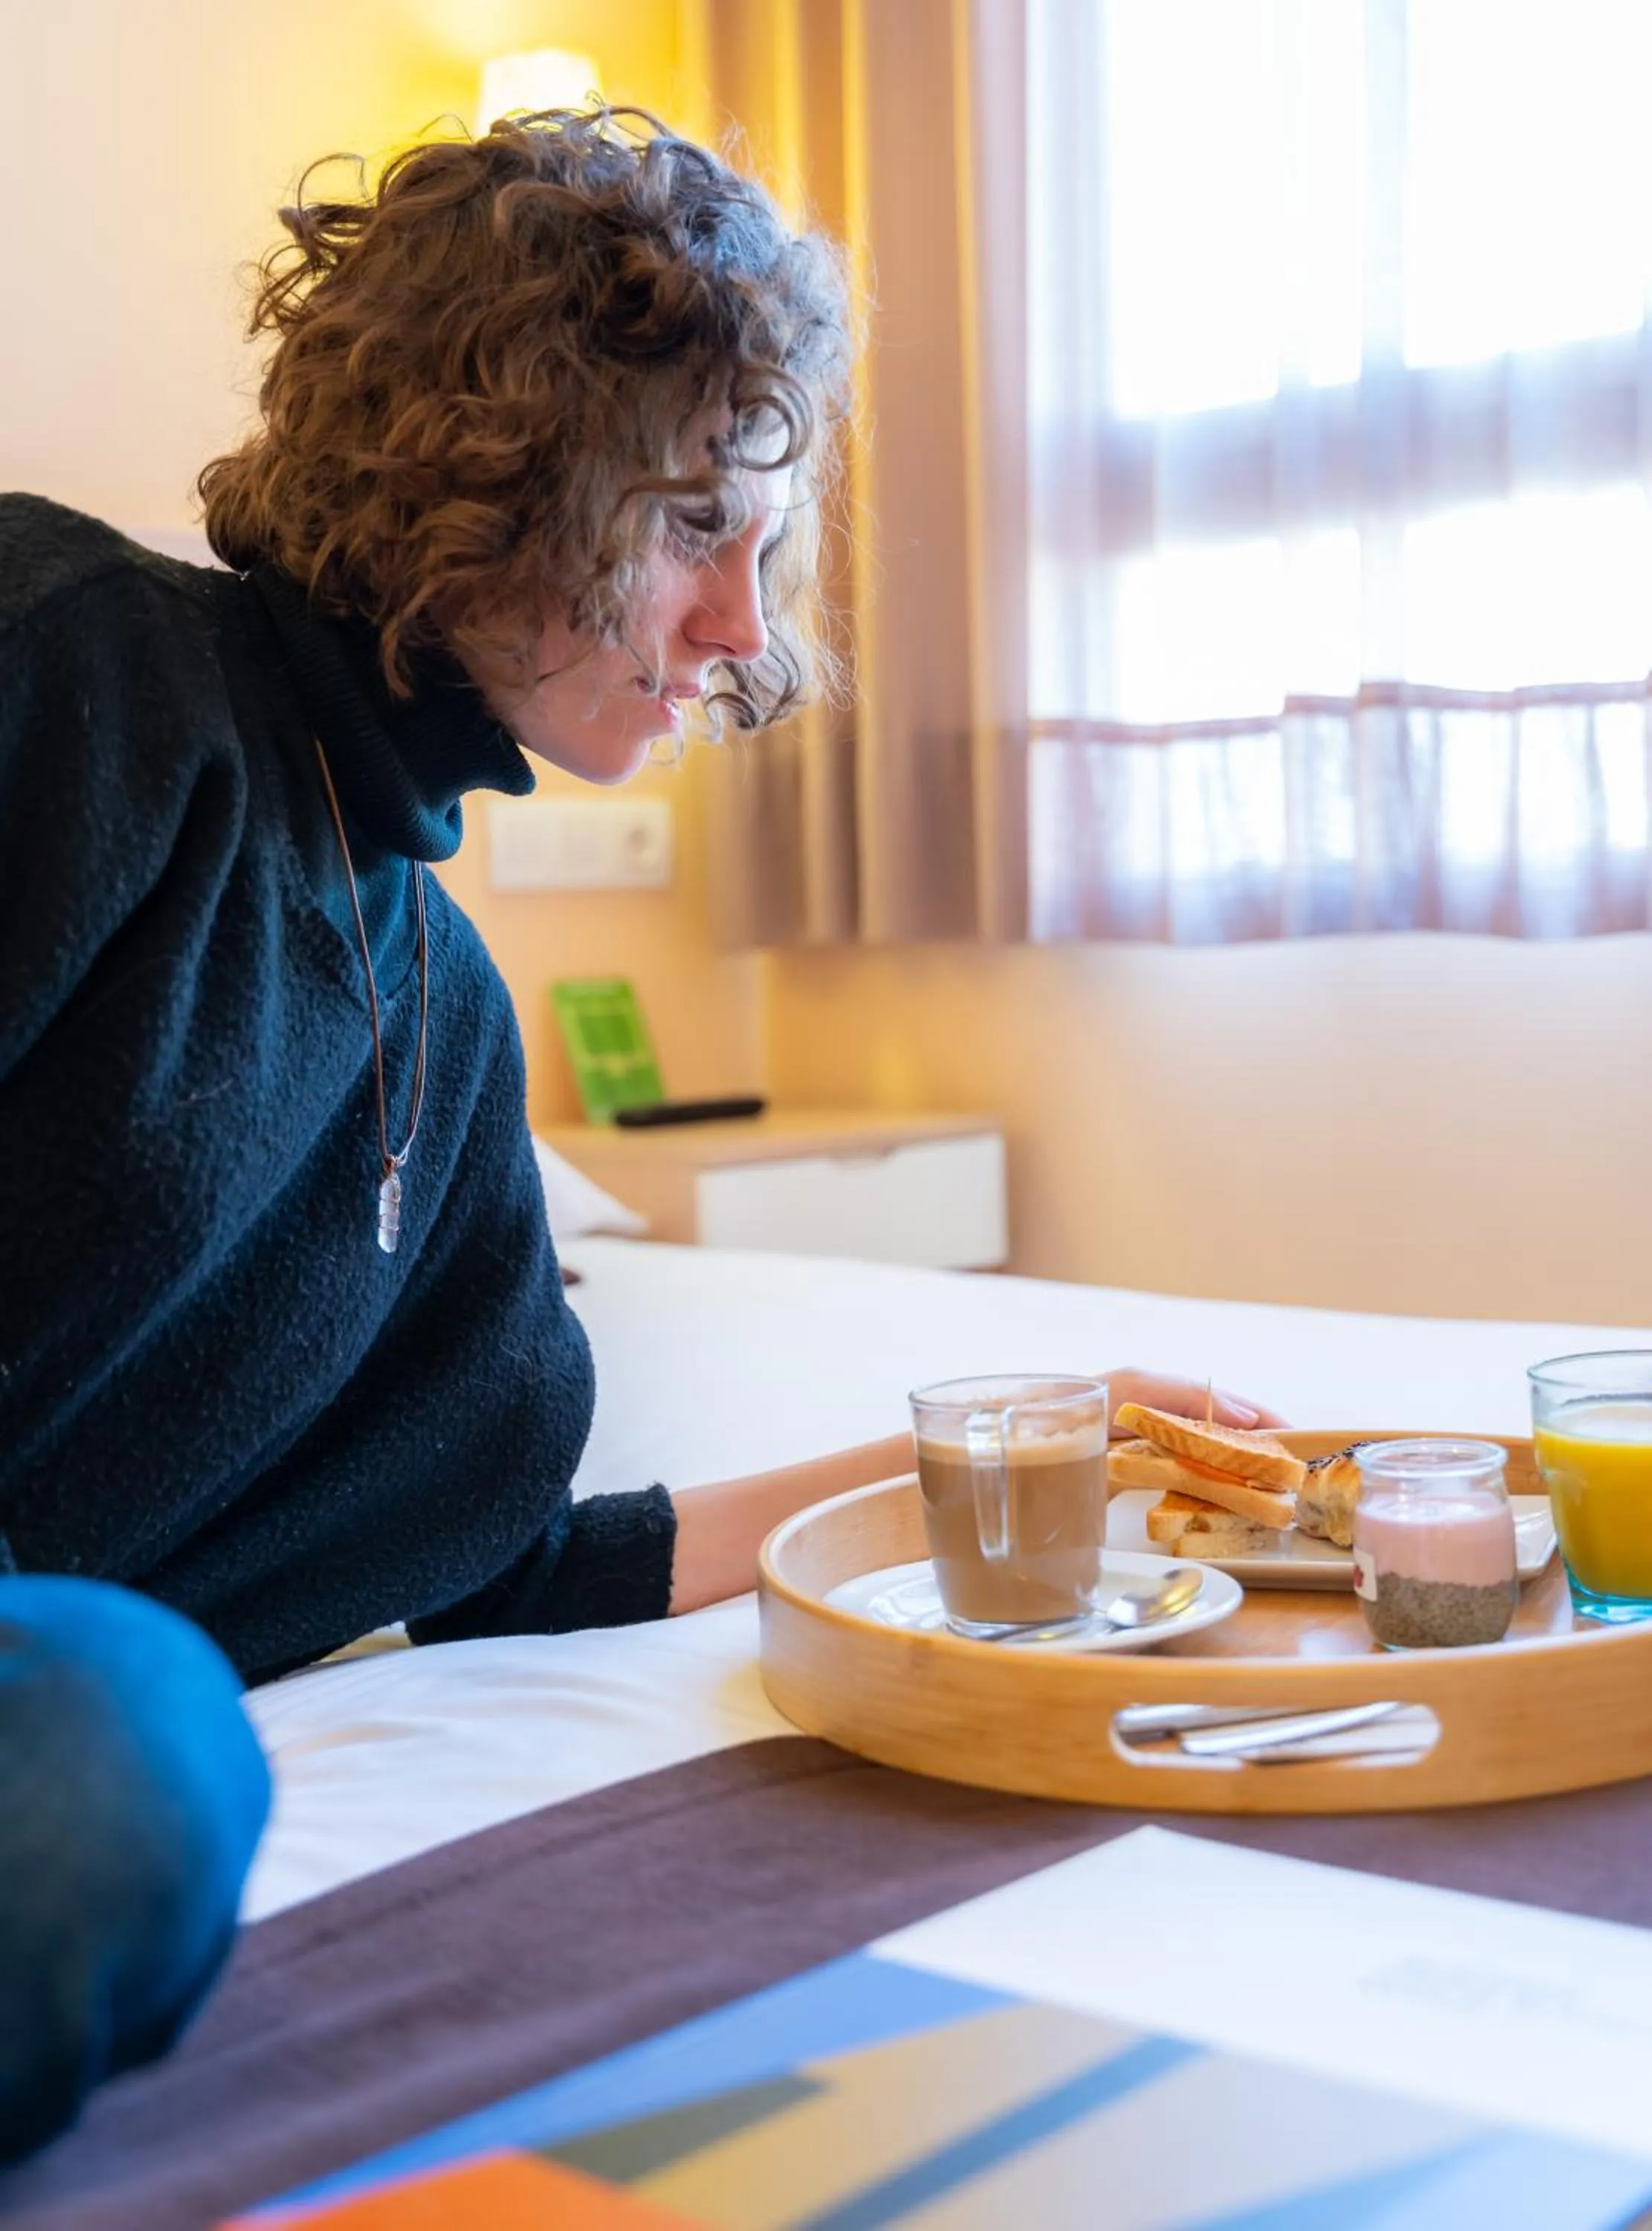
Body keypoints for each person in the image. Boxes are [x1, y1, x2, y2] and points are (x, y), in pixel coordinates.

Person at [0, 107, 1277, 2160]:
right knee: (117, 1741)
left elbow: (499, 1563)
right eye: (696, 525)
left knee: (116, 1744)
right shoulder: (72, 655)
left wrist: (1037, 1429)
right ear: (484, 467)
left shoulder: (433, 1002)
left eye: (763, 547)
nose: (744, 632)